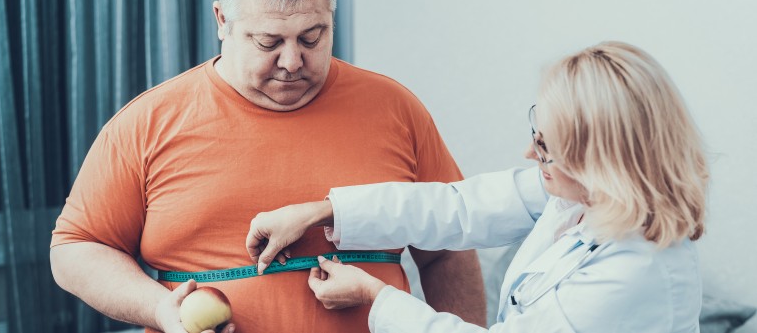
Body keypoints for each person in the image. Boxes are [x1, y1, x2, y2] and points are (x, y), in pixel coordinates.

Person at [49, 0, 486, 332]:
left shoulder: (395, 107)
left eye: (312, 38)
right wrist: (160, 309)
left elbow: (448, 248)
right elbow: (77, 248)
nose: (293, 61)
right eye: (269, 41)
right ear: (222, 20)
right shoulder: (147, 121)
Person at [247, 41, 709, 332]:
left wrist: (376, 300)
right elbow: (457, 207)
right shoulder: (582, 198)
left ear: (600, 162)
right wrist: (323, 211)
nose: (531, 155)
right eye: (536, 133)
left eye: (547, 148)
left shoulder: (636, 273)